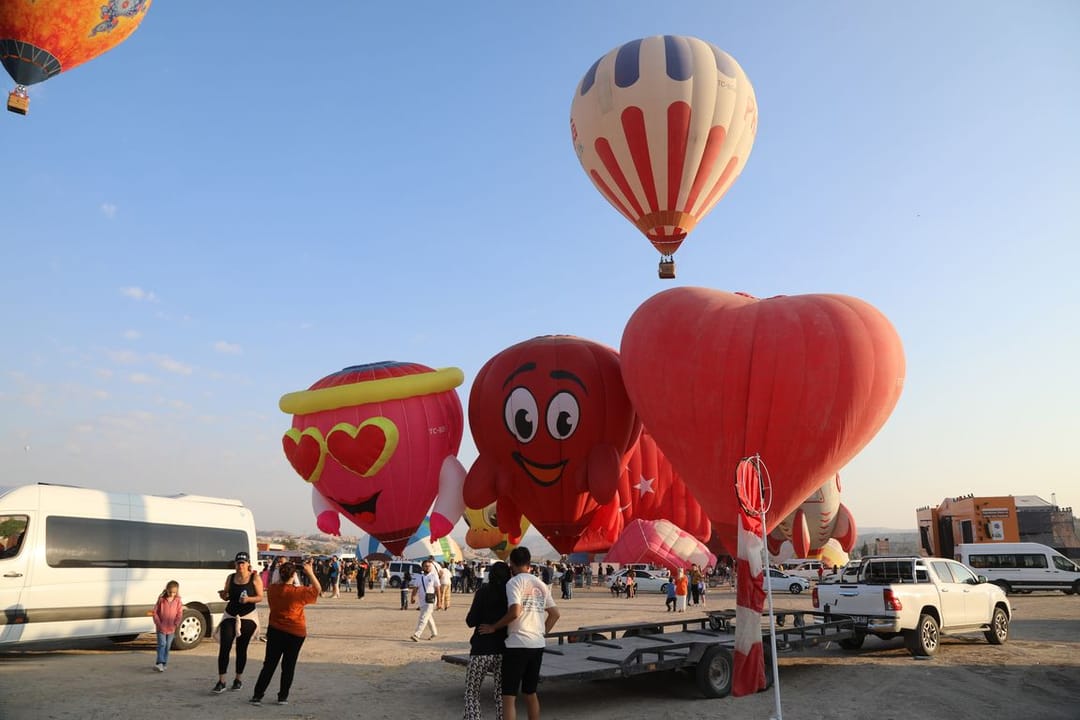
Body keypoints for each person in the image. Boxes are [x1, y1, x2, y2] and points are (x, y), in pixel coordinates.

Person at [479, 546, 560, 720]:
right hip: (537, 645)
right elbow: (555, 614)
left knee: (508, 696)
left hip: (517, 644)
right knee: (530, 693)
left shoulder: (514, 582)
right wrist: (541, 632)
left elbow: (515, 611)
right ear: (529, 563)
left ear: (512, 564)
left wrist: (494, 627)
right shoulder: (541, 584)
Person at [249, 559, 321, 706]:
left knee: (269, 664)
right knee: (288, 666)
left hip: (275, 630)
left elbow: (277, 582)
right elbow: (317, 589)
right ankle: (283, 696)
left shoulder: (273, 589)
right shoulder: (298, 592)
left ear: (280, 574)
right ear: (294, 575)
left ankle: (258, 695)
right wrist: (310, 572)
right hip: (295, 631)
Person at [463, 561, 511, 720]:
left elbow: (471, 620)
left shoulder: (483, 592)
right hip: (503, 648)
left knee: (472, 691)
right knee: (500, 693)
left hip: (482, 649)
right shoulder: (511, 594)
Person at [212, 551, 263, 694]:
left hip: (247, 616)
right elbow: (227, 595)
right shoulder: (231, 577)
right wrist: (224, 595)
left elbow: (260, 597)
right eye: (238, 563)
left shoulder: (254, 577)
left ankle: (238, 679)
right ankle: (221, 681)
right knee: (224, 647)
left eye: (242, 563)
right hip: (231, 614)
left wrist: (248, 600)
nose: (240, 566)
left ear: (248, 564)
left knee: (241, 648)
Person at [152, 580, 183, 672]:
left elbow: (179, 613)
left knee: (167, 645)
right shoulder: (161, 600)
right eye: (170, 592)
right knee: (162, 644)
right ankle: (159, 663)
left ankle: (164, 663)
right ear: (166, 590)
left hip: (171, 628)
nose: (172, 594)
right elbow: (155, 612)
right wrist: (158, 623)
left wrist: (176, 623)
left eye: (174, 592)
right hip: (161, 627)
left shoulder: (178, 601)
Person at [409, 558, 441, 641]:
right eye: (426, 566)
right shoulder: (419, 577)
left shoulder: (434, 576)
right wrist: (413, 597)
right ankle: (434, 633)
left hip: (431, 600)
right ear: (422, 567)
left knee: (423, 617)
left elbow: (437, 589)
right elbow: (415, 588)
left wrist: (440, 602)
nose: (427, 568)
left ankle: (417, 634)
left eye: (429, 566)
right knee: (428, 617)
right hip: (422, 601)